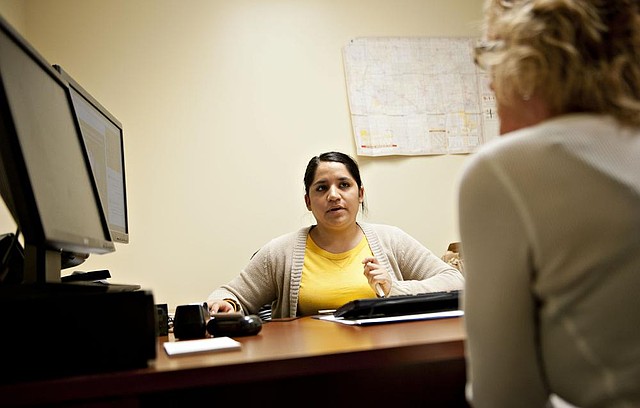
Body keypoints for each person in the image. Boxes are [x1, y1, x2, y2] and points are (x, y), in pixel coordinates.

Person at [458, 1, 640, 407]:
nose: (488, 84)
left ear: (529, 60)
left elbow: (504, 398)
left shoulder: (504, 171)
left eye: (491, 54)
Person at [207, 151, 464, 318]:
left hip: (386, 361)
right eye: (321, 188)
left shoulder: (391, 240)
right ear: (308, 201)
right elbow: (228, 295)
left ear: (360, 194)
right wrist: (226, 305)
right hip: (310, 369)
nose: (333, 195)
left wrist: (393, 287)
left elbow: (455, 281)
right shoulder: (280, 252)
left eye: (344, 185)